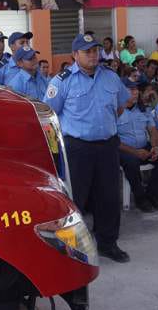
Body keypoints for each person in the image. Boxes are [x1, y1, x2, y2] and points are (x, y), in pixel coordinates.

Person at [43, 33, 131, 263]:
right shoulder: (61, 81)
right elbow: (48, 115)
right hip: (77, 148)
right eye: (87, 51)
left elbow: (120, 105)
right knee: (76, 198)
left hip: (108, 145)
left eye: (95, 50)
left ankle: (108, 243)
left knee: (109, 196)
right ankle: (73, 248)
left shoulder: (111, 77)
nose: (93, 55)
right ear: (75, 55)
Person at [117, 80, 158, 213]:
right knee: (130, 163)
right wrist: (135, 152)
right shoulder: (115, 111)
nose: (135, 92)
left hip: (144, 147)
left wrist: (155, 147)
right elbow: (113, 140)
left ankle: (153, 194)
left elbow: (153, 131)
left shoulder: (144, 110)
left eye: (136, 89)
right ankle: (140, 198)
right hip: (124, 149)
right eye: (131, 90)